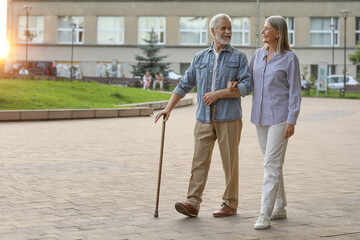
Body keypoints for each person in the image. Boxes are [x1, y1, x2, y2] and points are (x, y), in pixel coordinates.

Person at [155, 13, 252, 218]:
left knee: (230, 162)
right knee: (198, 161)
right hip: (203, 118)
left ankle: (230, 203)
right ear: (213, 31)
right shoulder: (200, 57)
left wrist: (220, 94)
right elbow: (184, 84)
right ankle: (192, 202)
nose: (227, 32)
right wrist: (168, 108)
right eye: (223, 28)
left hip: (229, 118)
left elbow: (246, 86)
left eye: (229, 28)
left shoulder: (239, 57)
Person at [230, 15, 301, 229]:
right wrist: (235, 85)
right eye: (263, 28)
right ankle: (280, 206)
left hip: (280, 118)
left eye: (267, 29)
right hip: (260, 118)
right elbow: (249, 83)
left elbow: (295, 92)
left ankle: (264, 213)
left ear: (278, 33)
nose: (262, 32)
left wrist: (292, 120)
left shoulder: (289, 58)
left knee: (270, 165)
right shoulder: (258, 56)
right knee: (273, 164)